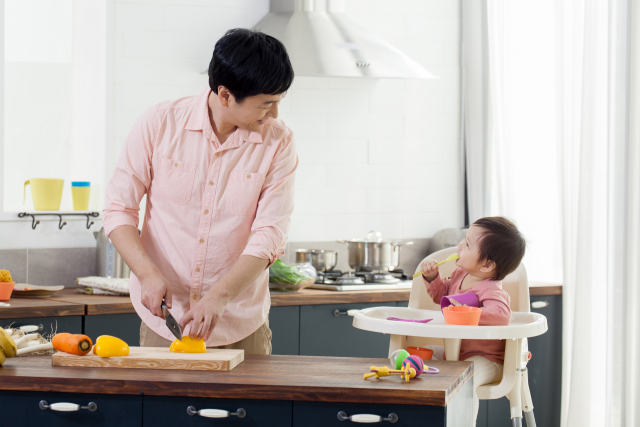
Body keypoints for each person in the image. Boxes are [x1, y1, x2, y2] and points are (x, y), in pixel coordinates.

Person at [102, 28, 297, 354]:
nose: (275, 114)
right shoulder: (158, 124)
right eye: (267, 104)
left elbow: (270, 234)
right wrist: (147, 274)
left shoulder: (279, 142)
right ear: (225, 95)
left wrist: (219, 296)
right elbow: (118, 209)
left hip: (240, 322)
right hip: (166, 323)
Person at [418, 216, 526, 426]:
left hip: (487, 360)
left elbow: (501, 315)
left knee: (465, 381)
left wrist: (467, 312)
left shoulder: (491, 289)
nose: (459, 245)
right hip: (455, 354)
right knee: (416, 359)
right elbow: (442, 296)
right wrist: (433, 278)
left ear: (487, 264)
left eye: (467, 244)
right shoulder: (459, 274)